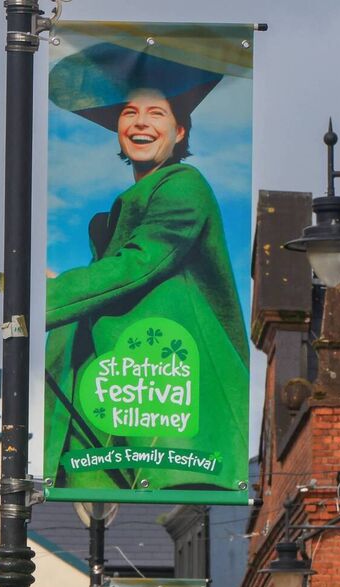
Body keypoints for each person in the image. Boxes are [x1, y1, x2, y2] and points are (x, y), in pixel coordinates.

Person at [46, 40, 249, 494]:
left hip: (175, 405)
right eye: (129, 112)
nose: (140, 122)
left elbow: (137, 265)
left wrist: (42, 299)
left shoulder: (184, 187)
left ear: (180, 132)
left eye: (156, 113)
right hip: (124, 393)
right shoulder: (127, 207)